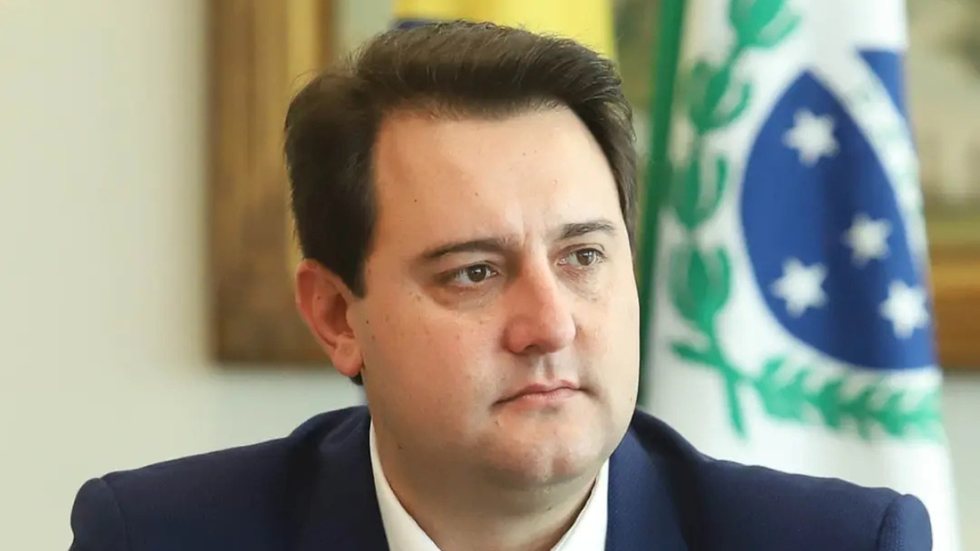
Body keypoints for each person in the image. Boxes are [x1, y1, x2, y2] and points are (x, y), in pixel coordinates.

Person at [69, 21, 932, 551]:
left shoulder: (839, 544)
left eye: (583, 257)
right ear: (337, 315)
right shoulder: (159, 537)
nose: (549, 324)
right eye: (474, 272)